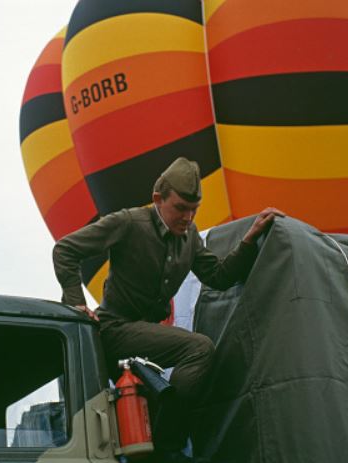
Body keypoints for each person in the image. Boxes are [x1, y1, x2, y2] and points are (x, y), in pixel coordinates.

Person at [53, 157, 284, 462]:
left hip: (142, 343)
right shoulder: (128, 222)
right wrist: (74, 302)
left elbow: (219, 277)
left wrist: (250, 238)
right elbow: (65, 250)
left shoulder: (189, 238)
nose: (188, 218)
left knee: (140, 430)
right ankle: (168, 443)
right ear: (157, 199)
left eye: (193, 210)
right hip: (114, 330)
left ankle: (161, 442)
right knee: (199, 348)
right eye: (180, 208)